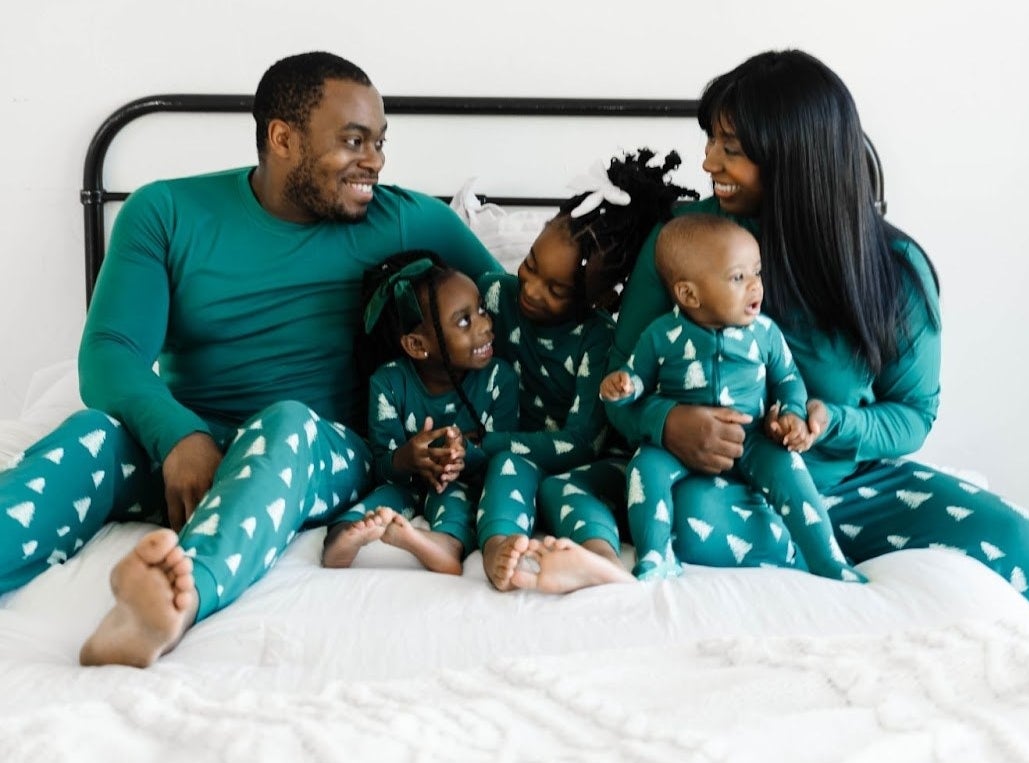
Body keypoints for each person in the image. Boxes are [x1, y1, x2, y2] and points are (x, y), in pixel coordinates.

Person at [0, 51, 502, 667]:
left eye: (378, 141)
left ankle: (171, 603)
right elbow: (110, 354)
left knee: (284, 422)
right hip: (189, 452)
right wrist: (179, 433)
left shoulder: (408, 219)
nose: (374, 160)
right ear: (283, 138)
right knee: (91, 434)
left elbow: (516, 316)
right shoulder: (164, 213)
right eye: (353, 141)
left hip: (322, 446)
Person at [607, 49, 1029, 607]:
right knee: (688, 517)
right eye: (712, 142)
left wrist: (832, 421)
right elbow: (617, 381)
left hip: (853, 488)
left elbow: (913, 416)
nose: (709, 164)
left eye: (732, 149)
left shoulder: (894, 268)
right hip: (729, 491)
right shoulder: (683, 241)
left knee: (1022, 544)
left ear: (795, 160)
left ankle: (813, 551)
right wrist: (667, 422)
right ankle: (827, 571)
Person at [475, 148, 696, 593]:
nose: (531, 290)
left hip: (591, 462)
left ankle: (601, 560)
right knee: (506, 467)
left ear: (603, 299)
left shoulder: (599, 338)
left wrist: (488, 442)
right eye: (531, 265)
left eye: (556, 289)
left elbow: (582, 442)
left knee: (562, 489)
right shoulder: (494, 296)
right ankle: (500, 546)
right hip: (519, 454)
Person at [601, 213, 865, 583]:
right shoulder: (661, 333)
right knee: (644, 468)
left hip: (753, 438)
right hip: (677, 446)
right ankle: (654, 554)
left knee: (791, 469)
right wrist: (622, 386)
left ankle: (826, 558)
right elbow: (637, 379)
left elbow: (789, 379)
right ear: (689, 294)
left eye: (757, 272)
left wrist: (791, 411)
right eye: (738, 277)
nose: (755, 286)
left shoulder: (765, 334)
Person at [321, 250, 517, 574]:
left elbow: (502, 455)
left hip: (462, 481)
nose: (485, 324)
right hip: (404, 484)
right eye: (465, 320)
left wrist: (462, 455)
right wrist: (407, 458)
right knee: (378, 501)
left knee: (455, 499)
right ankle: (343, 538)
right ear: (416, 345)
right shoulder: (388, 384)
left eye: (481, 309)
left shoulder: (499, 379)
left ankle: (442, 546)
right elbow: (382, 464)